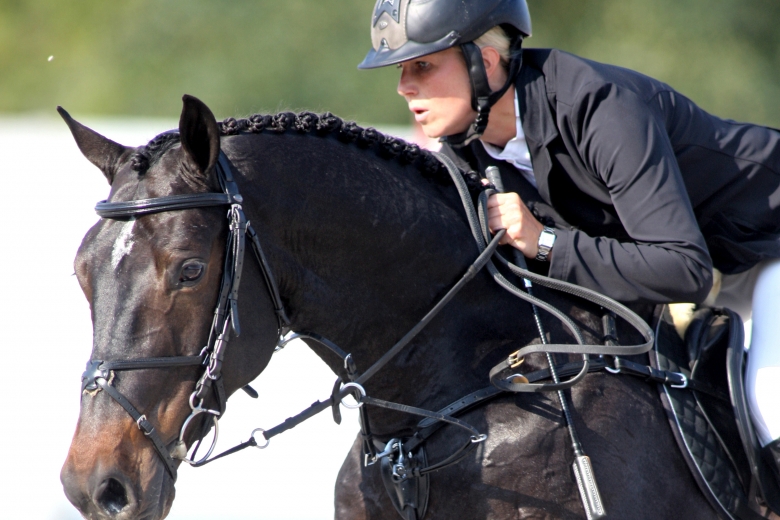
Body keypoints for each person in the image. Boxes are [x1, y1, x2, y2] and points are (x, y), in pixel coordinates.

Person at [358, 0, 780, 484]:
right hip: (698, 271)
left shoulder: (600, 107)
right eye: (402, 69)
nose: (403, 86)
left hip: (766, 241)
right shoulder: (465, 147)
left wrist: (545, 244)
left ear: (485, 61)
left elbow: (684, 270)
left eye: (423, 65)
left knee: (769, 401)